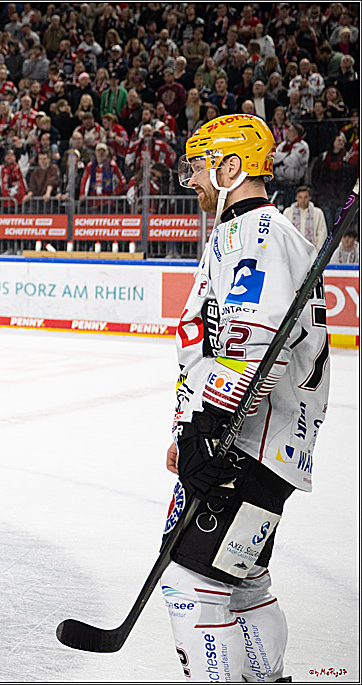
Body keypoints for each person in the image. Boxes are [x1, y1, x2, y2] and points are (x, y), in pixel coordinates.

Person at [164, 113, 330, 681]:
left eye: (203, 166)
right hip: (263, 447)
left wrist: (209, 429)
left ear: (232, 167)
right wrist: (184, 425)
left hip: (244, 445)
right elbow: (215, 341)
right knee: (243, 583)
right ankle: (268, 677)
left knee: (193, 587)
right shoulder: (246, 233)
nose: (196, 180)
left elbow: (251, 340)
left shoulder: (257, 235)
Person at [282, 185, 328, 251]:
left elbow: (322, 233)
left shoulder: (318, 213)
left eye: (305, 197)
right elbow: (284, 232)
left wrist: (318, 252)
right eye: (300, 197)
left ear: (309, 197)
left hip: (312, 252)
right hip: (292, 251)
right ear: (296, 198)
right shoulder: (288, 212)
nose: (303, 200)